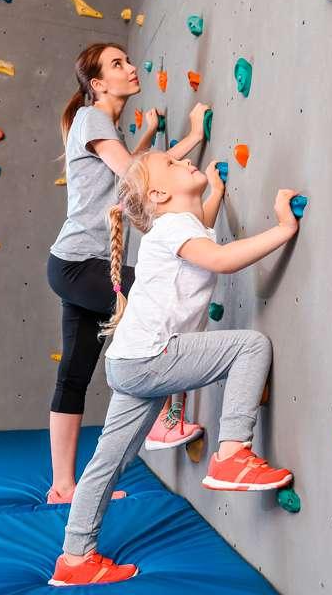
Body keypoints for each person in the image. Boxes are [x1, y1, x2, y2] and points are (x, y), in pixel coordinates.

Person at [48, 148, 301, 586]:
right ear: (160, 195)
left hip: (128, 361)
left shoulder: (176, 227)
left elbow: (202, 231)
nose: (185, 162)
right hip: (151, 356)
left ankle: (74, 558)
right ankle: (232, 454)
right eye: (172, 164)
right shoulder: (173, 229)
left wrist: (215, 193)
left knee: (108, 461)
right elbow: (220, 259)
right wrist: (284, 228)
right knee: (250, 347)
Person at [47, 42, 208, 504]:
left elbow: (124, 178)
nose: (131, 68)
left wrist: (153, 136)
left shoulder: (100, 125)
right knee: (155, 307)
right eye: (117, 64)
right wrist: (193, 137)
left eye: (127, 60)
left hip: (73, 265)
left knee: (74, 374)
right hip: (82, 265)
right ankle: (164, 418)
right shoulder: (92, 117)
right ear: (98, 84)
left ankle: (63, 487)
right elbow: (138, 177)